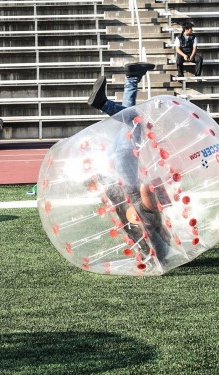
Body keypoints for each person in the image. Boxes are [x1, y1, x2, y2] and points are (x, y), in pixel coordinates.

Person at [87, 63, 171, 262]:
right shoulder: (131, 226)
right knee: (128, 121)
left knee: (134, 119)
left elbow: (145, 188)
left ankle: (103, 104)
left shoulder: (148, 218)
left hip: (124, 163)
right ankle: (132, 77)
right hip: (108, 168)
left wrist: (162, 195)